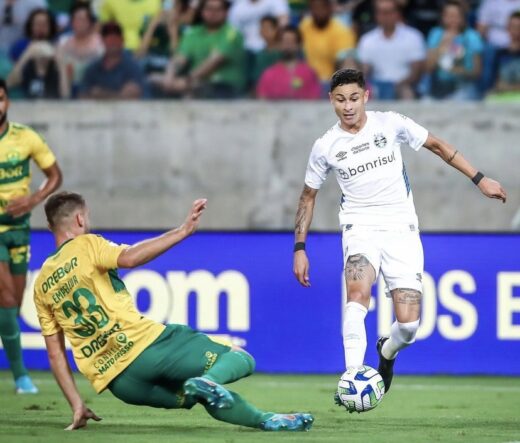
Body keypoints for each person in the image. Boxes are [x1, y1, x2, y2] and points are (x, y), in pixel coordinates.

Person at [292, 69, 506, 408]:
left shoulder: (390, 124)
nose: (347, 106)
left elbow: (438, 145)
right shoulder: (325, 146)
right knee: (357, 296)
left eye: (353, 98)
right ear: (331, 101)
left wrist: (479, 179)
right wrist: (299, 248)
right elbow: (307, 196)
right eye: (339, 99)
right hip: (359, 227)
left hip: (401, 229)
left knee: (408, 327)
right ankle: (352, 378)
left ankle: (385, 351)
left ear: (366, 96)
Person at [33, 191, 314, 432]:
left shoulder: (42, 282)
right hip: (147, 348)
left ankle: (268, 421)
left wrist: (77, 405)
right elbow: (130, 257)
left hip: (120, 384)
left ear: (50, 226)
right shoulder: (86, 244)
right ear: (80, 219)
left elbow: (55, 353)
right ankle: (209, 380)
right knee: (240, 358)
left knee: (201, 395)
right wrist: (182, 231)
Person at [0, 78, 62, 394]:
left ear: (8, 101)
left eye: (0, 98)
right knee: (7, 298)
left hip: (19, 230)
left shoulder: (25, 137)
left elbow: (54, 175)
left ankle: (18, 374)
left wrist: (32, 200)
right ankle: (21, 374)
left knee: (12, 302)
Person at [150, 0, 246, 99]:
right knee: (153, 81)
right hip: (195, 82)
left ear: (226, 12)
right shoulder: (193, 33)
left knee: (194, 92)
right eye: (209, 9)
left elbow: (212, 63)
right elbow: (180, 58)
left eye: (218, 9)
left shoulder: (232, 33)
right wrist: (169, 76)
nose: (213, 13)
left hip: (225, 86)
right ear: (202, 11)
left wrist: (186, 81)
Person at [357, 0, 426, 100]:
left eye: (389, 12)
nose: (386, 16)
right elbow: (365, 70)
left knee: (406, 92)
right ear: (376, 15)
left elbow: (416, 72)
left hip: (404, 85)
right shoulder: (367, 40)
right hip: (377, 86)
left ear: (397, 14)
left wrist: (397, 86)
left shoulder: (413, 37)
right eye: (382, 13)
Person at [425, 0, 483, 100]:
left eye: (456, 16)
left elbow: (477, 72)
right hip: (439, 85)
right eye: (449, 16)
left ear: (463, 18)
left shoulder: (472, 36)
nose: (453, 20)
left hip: (463, 85)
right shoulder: (436, 34)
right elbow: (428, 68)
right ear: (443, 18)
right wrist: (441, 45)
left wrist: (459, 71)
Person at [79, 22, 146, 100]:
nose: (112, 41)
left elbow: (138, 96)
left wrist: (102, 94)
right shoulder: (92, 69)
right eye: (108, 37)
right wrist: (121, 96)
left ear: (122, 40)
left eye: (115, 37)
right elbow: (82, 96)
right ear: (102, 41)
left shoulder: (133, 67)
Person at [299, 0, 356, 91]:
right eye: (315, 8)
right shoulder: (304, 27)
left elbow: (345, 63)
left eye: (322, 8)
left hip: (332, 84)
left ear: (330, 9)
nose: (318, 12)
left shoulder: (342, 30)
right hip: (305, 82)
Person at [256, 25, 320, 99]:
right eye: (285, 42)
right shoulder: (269, 74)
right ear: (279, 45)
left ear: (299, 45)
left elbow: (314, 100)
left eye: (292, 42)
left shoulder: (309, 73)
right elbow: (262, 101)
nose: (288, 45)